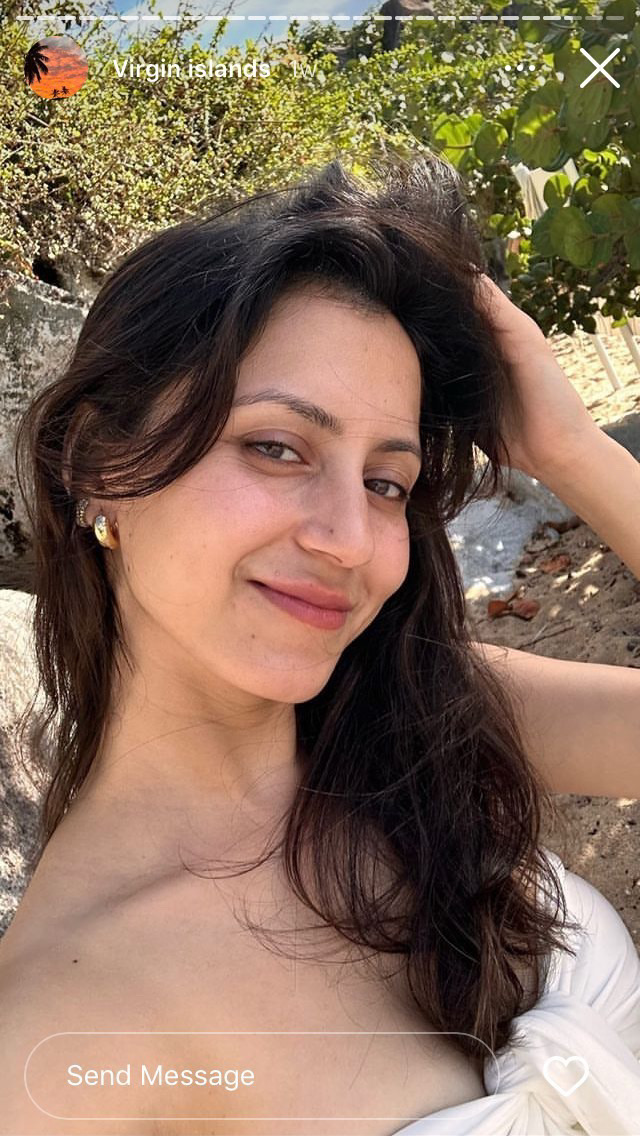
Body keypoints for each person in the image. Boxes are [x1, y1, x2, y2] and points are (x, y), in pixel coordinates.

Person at [0, 154, 639, 1136]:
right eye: (275, 447)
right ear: (97, 467)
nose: (348, 539)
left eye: (386, 482)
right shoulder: (54, 1036)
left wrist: (573, 451)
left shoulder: (428, 716)